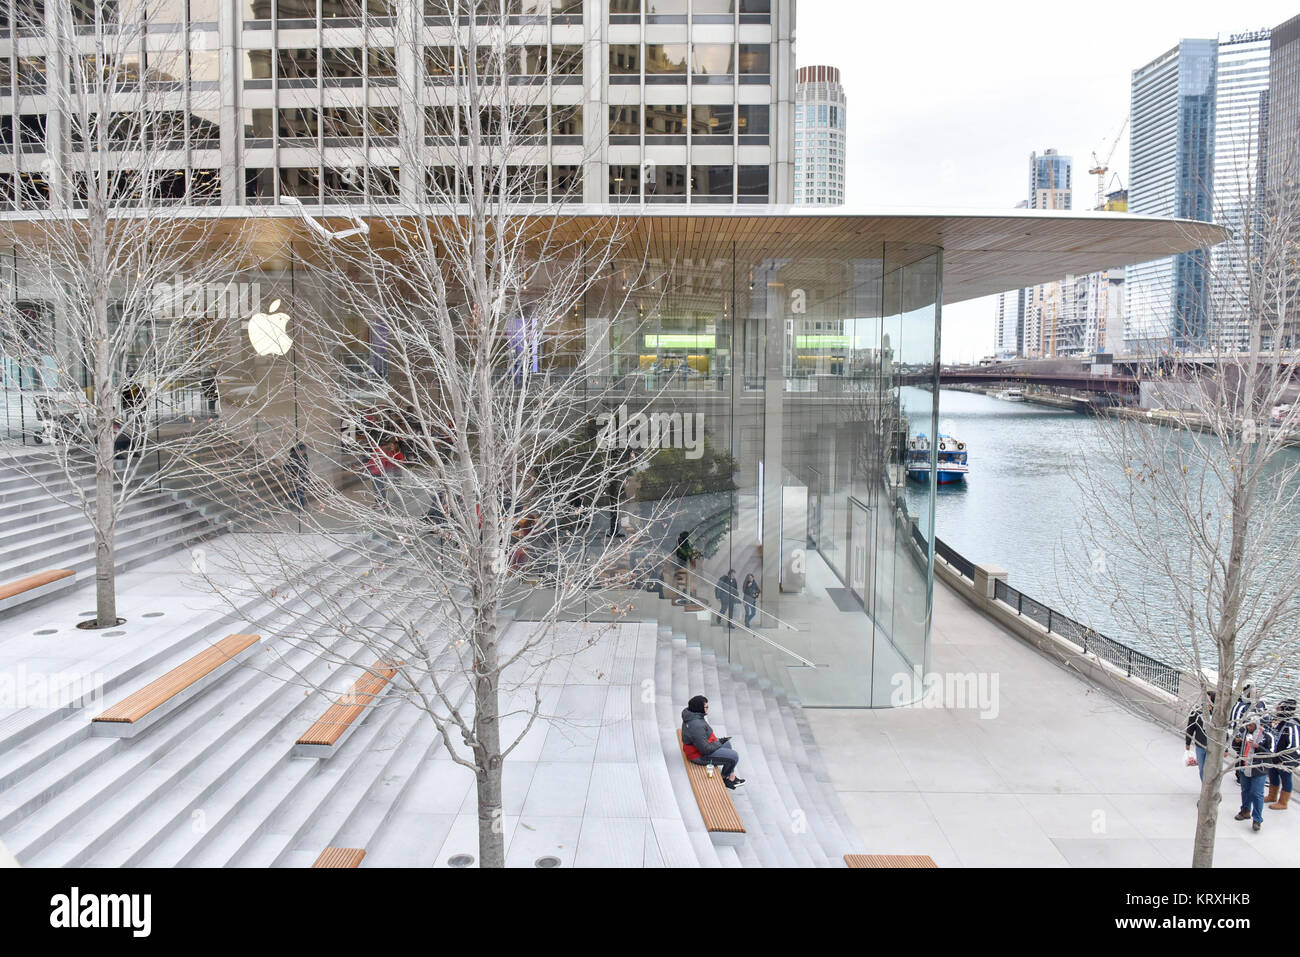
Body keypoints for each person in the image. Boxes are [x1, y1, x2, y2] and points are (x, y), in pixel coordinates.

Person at [680, 695, 745, 790]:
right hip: (698, 756)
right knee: (734, 756)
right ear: (699, 708)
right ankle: (725, 778)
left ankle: (730, 774)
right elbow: (705, 749)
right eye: (706, 707)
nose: (707, 709)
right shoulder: (696, 725)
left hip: (700, 747)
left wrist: (720, 741)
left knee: (727, 744)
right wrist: (719, 742)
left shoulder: (692, 716)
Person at [1232, 710, 1277, 832]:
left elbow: (1272, 754)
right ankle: (1245, 810)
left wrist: (1258, 747)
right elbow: (1234, 748)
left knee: (1257, 794)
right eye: (1247, 724)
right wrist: (1237, 742)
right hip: (1244, 767)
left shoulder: (1267, 736)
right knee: (1245, 790)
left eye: (1251, 725)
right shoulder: (1243, 733)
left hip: (1259, 770)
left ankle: (1257, 819)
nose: (1248, 727)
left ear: (1257, 725)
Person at [1269, 698, 1298, 811]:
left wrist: (1286, 760)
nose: (1277, 709)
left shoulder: (1292, 725)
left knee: (1286, 779)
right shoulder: (1280, 721)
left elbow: (1294, 745)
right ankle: (1272, 796)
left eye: (1279, 708)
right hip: (1275, 757)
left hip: (1285, 760)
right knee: (1273, 774)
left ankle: (1283, 802)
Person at [1184, 690, 1216, 782]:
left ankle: (1210, 787)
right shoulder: (1197, 712)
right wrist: (1188, 742)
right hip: (1201, 745)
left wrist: (1225, 749)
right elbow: (1190, 728)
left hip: (1213, 746)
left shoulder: (1218, 714)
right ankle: (1205, 786)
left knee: (1211, 769)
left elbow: (1224, 731)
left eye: (1209, 701)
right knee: (1202, 768)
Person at [284, 442, 309, 510]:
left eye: (304, 451)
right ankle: (301, 506)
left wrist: (307, 474)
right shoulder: (293, 456)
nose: (304, 452)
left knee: (302, 489)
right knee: (300, 490)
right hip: (296, 476)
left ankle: (290, 496)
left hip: (303, 475)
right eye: (302, 451)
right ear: (298, 450)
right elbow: (286, 467)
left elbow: (306, 466)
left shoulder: (305, 455)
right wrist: (291, 475)